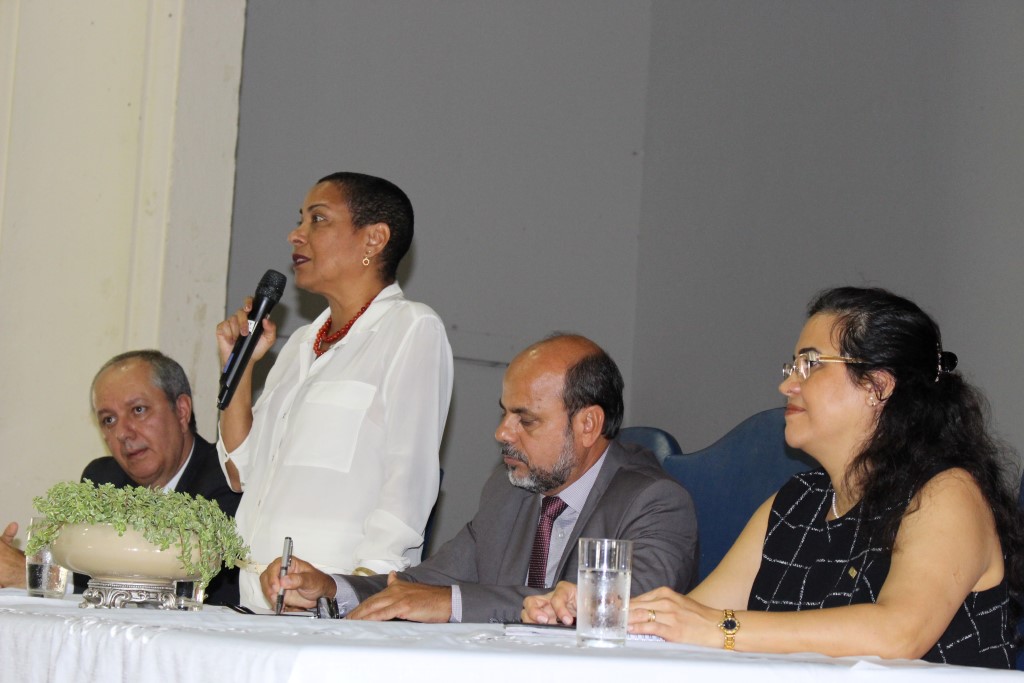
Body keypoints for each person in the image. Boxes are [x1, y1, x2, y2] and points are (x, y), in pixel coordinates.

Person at [525, 287, 1022, 669]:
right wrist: (600, 611)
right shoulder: (794, 503)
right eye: (792, 366)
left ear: (878, 386)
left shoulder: (946, 493)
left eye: (810, 365)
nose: (787, 384)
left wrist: (720, 629)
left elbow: (897, 634)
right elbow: (689, 619)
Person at [260, 333, 698, 623]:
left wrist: (452, 603)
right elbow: (422, 585)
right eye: (504, 413)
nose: (501, 433)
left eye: (526, 420)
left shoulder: (656, 503)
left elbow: (611, 610)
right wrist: (330, 588)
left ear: (588, 424)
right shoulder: (508, 491)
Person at [216, 172, 454, 609]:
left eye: (318, 219)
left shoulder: (411, 328)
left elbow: (408, 485)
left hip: (333, 606)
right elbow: (240, 472)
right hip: (257, 600)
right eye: (300, 220)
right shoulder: (301, 343)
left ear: (374, 239)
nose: (296, 234)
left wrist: (360, 596)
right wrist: (242, 366)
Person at [0, 350, 242, 605]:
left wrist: (34, 576)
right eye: (109, 420)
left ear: (181, 411)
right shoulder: (103, 480)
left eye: (138, 410)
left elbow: (204, 593)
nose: (122, 433)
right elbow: (88, 570)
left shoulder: (228, 480)